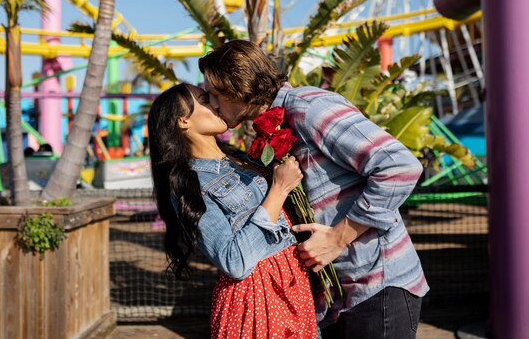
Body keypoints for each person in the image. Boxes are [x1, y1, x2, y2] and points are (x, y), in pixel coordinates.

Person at [199, 40, 428, 339]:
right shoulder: (270, 127)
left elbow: (399, 166)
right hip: (336, 296)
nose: (213, 104)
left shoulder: (308, 107)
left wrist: (338, 237)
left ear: (240, 84)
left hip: (377, 282)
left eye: (216, 94)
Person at [148, 83, 318, 339]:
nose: (216, 104)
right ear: (182, 122)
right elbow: (233, 261)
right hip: (257, 299)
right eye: (205, 100)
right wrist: (279, 189)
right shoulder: (191, 184)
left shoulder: (245, 159)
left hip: (293, 286)